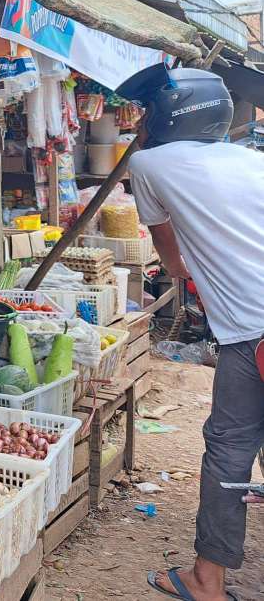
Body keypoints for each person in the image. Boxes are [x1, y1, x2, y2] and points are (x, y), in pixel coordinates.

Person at [121, 68, 264, 601]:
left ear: (167, 117)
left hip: (253, 332)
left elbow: (173, 264)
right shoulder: (255, 160)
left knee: (229, 447)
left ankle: (207, 581)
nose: (140, 123)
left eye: (146, 113)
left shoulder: (148, 163)